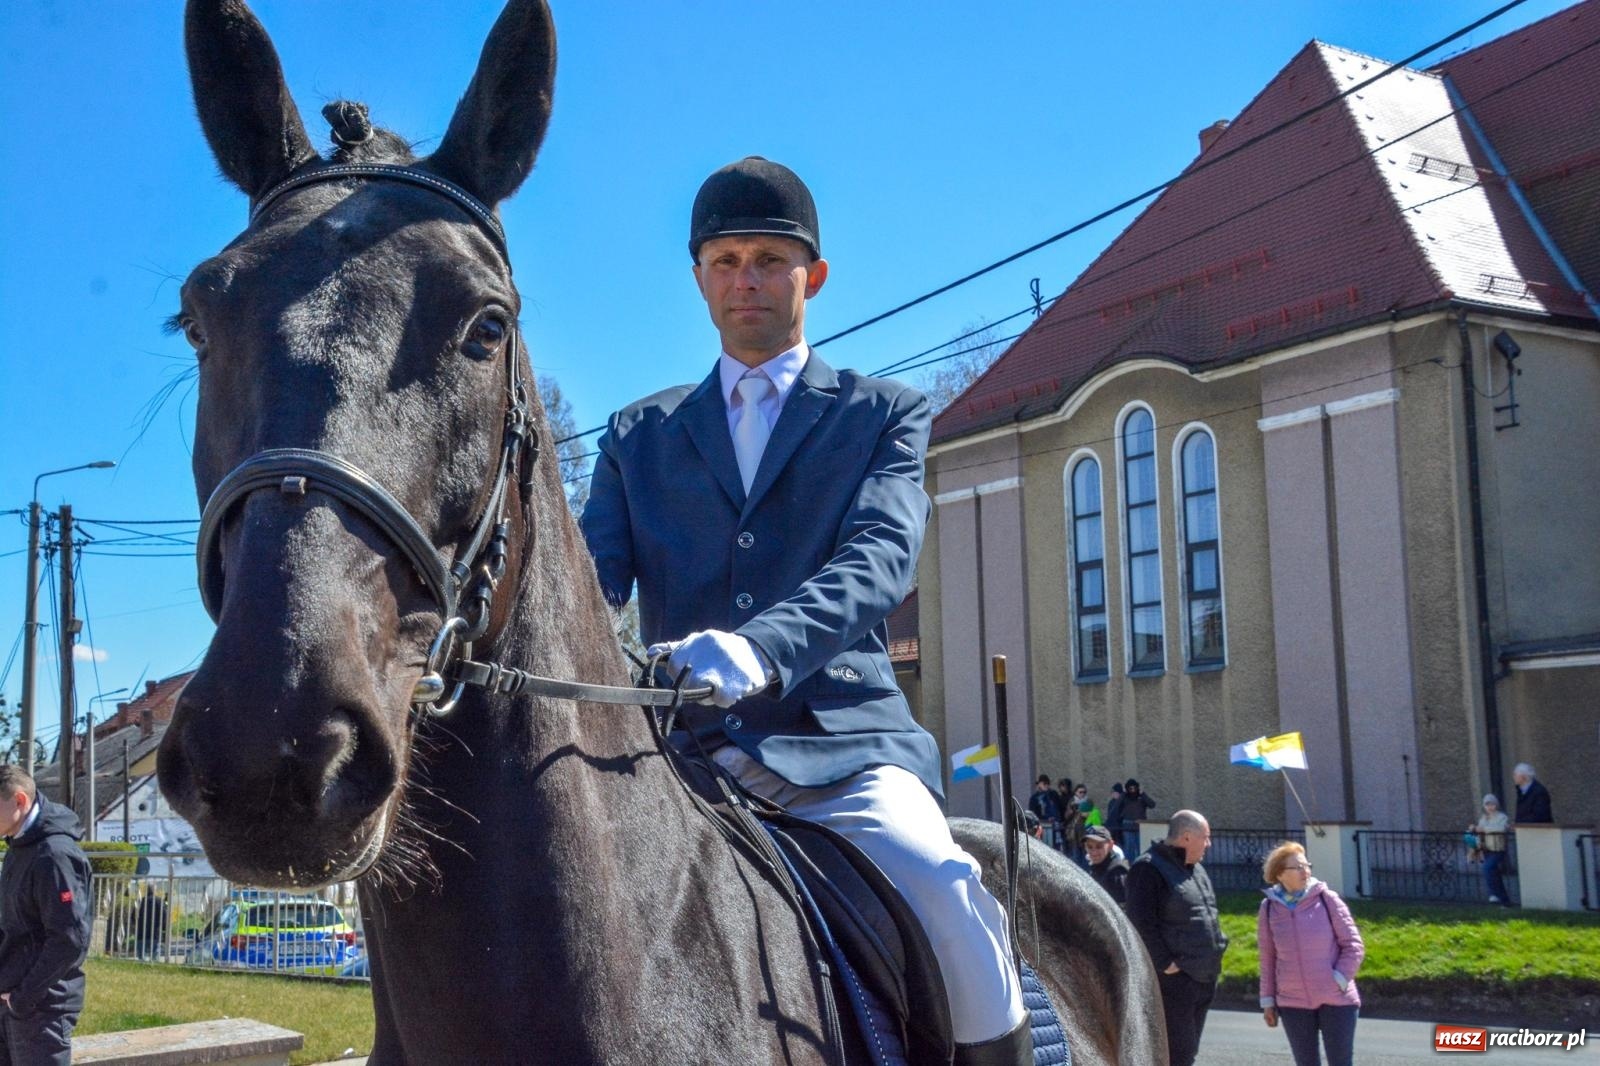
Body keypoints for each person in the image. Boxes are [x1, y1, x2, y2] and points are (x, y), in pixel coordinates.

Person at [581, 157, 1030, 1061]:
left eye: (769, 259)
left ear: (812, 276)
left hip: (842, 740)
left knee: (947, 893)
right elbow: (593, 581)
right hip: (678, 748)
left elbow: (880, 557)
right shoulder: (639, 434)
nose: (747, 278)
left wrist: (760, 648)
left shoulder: (883, 414)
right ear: (700, 276)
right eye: (726, 259)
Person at [0, 765, 92, 1066]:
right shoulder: (19, 846)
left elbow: (69, 939)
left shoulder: (54, 854)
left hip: (41, 1007)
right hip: (15, 1002)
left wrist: (23, 998)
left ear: (20, 801)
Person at [1125, 810, 1228, 1066]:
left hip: (1203, 978)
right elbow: (1141, 923)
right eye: (1205, 837)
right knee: (1176, 1056)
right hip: (1175, 983)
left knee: (1187, 1054)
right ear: (1186, 837)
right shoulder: (1148, 869)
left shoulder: (1196, 869)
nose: (1209, 844)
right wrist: (1166, 964)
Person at [1257, 841, 1364, 1066]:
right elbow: (1267, 958)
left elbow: (1353, 945)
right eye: (1297, 867)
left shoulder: (1327, 899)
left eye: (1307, 866)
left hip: (1337, 999)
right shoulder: (1269, 908)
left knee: (1340, 1062)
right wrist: (1268, 1001)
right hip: (1292, 1001)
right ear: (1279, 874)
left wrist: (1339, 979)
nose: (1305, 871)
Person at [1470, 794, 1512, 906]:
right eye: (1487, 804)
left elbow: (1501, 828)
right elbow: (1479, 831)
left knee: (1487, 868)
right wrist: (1474, 829)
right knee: (1493, 873)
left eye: (1492, 804)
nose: (1489, 807)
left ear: (1496, 805)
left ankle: (1494, 894)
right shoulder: (1483, 818)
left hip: (1498, 848)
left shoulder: (1502, 817)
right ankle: (1504, 901)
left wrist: (1484, 829)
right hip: (1486, 848)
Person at [1084, 825, 1128, 905]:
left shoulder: (1117, 872)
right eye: (1089, 847)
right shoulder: (1094, 867)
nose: (1094, 852)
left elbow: (1122, 910)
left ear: (1111, 845)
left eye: (1099, 846)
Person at [1121, 778, 1156, 854]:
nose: (1132, 790)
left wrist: (1143, 794)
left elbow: (1152, 805)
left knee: (1141, 849)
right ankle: (1128, 865)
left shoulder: (1141, 797)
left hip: (1140, 827)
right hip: (1128, 827)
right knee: (1129, 850)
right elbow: (1117, 806)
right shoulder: (1125, 797)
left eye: (1134, 788)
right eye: (1130, 788)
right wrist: (1123, 793)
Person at [1027, 775, 1063, 850]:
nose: (1046, 785)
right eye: (1044, 783)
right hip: (1043, 825)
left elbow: (1060, 808)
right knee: (1045, 848)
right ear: (1039, 784)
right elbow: (1032, 813)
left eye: (1048, 784)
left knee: (1057, 848)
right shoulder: (1035, 798)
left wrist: (1059, 820)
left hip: (1055, 825)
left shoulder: (1053, 794)